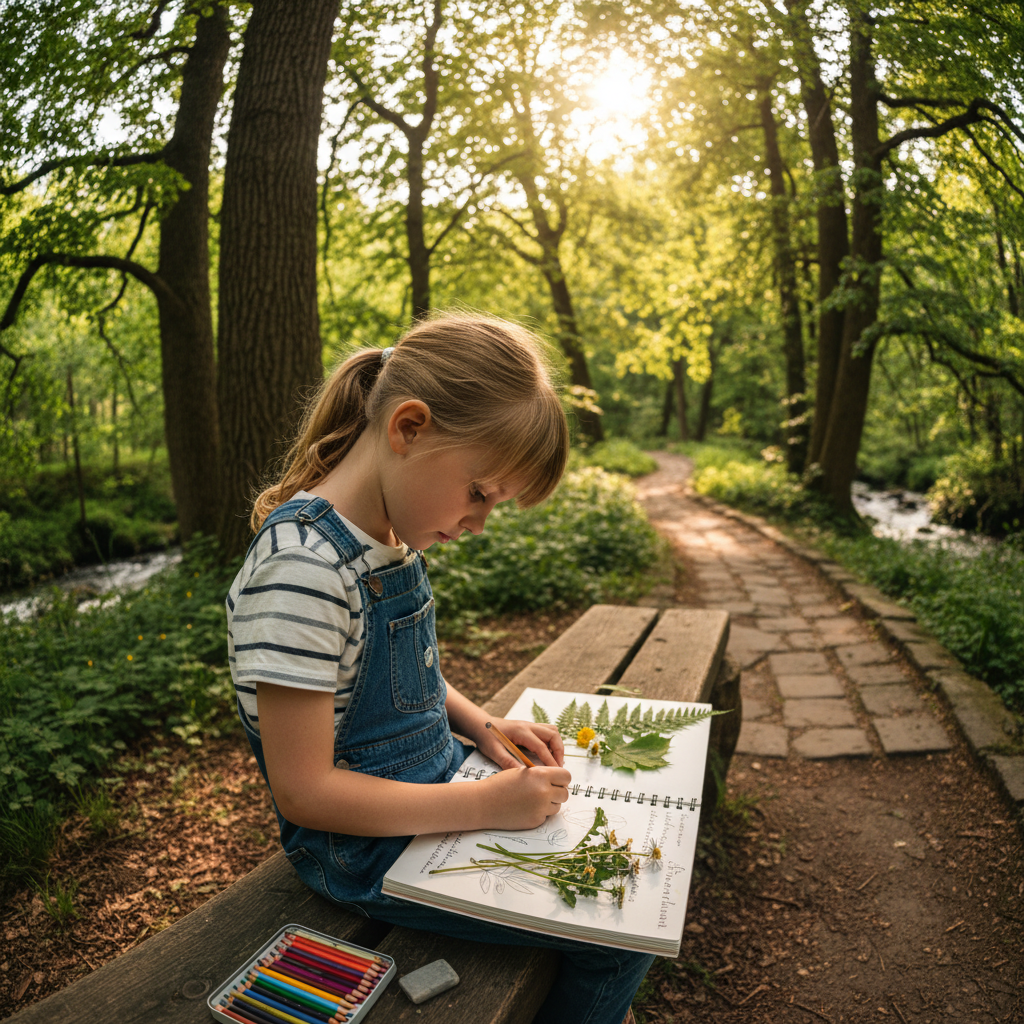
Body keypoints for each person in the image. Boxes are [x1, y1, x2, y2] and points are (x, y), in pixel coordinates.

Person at [226, 313, 651, 1024]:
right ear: (409, 428)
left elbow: (396, 676)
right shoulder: (302, 570)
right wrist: (484, 806)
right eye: (480, 492)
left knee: (620, 872)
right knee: (617, 933)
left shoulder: (386, 538)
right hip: (359, 851)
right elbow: (304, 792)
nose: (480, 521)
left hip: (435, 791)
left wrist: (483, 725)